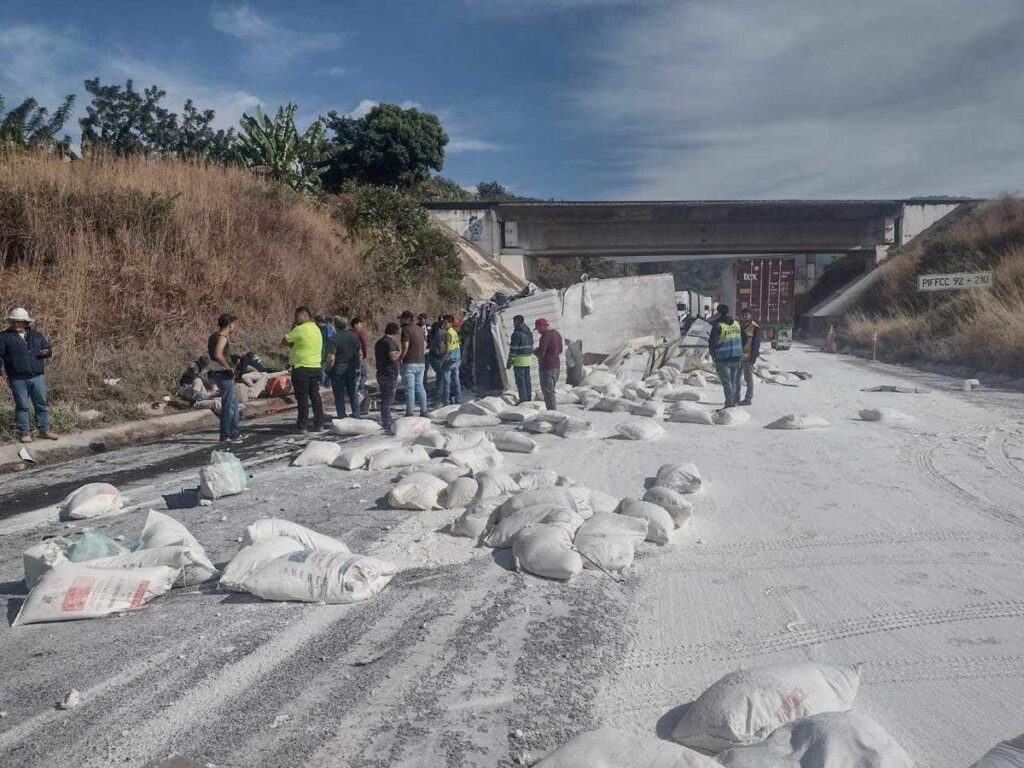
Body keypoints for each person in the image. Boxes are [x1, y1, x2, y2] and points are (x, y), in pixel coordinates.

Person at [0, 307, 55, 443]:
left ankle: (44, 430)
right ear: (10, 322)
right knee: (22, 405)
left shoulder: (36, 335)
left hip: (37, 376)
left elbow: (48, 350)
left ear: (26, 322)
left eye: (20, 322)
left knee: (41, 404)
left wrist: (46, 352)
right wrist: (1, 374)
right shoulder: (3, 337)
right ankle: (25, 433)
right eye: (14, 322)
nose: (17, 325)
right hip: (17, 377)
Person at [282, 306, 325, 432]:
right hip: (315, 366)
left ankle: (302, 425)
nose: (295, 319)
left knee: (302, 398)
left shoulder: (299, 329)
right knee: (315, 396)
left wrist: (293, 329)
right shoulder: (316, 329)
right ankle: (319, 423)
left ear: (304, 316)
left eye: (296, 316)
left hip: (301, 367)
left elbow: (284, 341)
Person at [207, 314, 242, 443]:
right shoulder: (222, 338)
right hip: (223, 373)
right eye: (233, 323)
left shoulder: (213, 336)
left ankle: (234, 433)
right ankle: (226, 434)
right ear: (229, 325)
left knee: (231, 404)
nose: (235, 326)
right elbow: (218, 354)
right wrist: (228, 367)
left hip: (217, 372)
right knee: (229, 406)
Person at [325, 317, 361, 419]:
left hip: (337, 371)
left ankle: (342, 415)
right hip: (351, 369)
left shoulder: (334, 339)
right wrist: (358, 367)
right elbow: (359, 354)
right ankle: (356, 414)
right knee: (353, 393)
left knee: (339, 395)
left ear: (336, 326)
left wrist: (328, 369)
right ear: (347, 325)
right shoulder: (355, 337)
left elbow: (331, 358)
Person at [708, 304, 743, 409]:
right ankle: (734, 401)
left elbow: (712, 344)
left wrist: (713, 356)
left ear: (718, 313)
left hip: (723, 359)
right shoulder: (737, 324)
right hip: (736, 357)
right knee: (733, 382)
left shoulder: (718, 326)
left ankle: (729, 404)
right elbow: (744, 338)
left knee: (727, 383)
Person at [399, 310, 429, 417]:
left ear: (407, 319)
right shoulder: (420, 330)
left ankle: (409, 412)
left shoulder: (406, 330)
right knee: (420, 386)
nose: (400, 321)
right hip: (421, 362)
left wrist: (401, 358)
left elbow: (405, 346)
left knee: (410, 389)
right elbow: (425, 344)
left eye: (401, 319)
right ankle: (424, 410)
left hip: (410, 363)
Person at [375, 322, 402, 431]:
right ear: (395, 332)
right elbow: (392, 357)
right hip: (389, 373)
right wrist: (402, 352)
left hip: (381, 372)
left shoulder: (379, 342)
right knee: (388, 400)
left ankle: (386, 419)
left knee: (385, 397)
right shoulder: (390, 343)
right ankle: (387, 422)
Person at [534, 317, 563, 411]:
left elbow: (541, 353)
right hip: (556, 366)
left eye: (538, 328)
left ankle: (552, 413)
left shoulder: (545, 336)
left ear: (542, 327)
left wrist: (535, 351)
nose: (538, 331)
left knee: (548, 392)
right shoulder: (557, 334)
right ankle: (552, 412)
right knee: (551, 391)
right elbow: (561, 350)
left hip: (546, 367)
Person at [507, 314, 534, 404]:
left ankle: (523, 400)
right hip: (528, 359)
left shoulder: (516, 334)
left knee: (520, 382)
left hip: (519, 361)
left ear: (517, 322)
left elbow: (513, 350)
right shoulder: (529, 333)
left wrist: (509, 362)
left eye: (514, 322)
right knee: (527, 380)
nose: (513, 324)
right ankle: (528, 398)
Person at [738, 308, 761, 406]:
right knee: (736, 379)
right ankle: (735, 398)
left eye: (747, 315)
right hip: (737, 357)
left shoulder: (755, 327)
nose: (745, 316)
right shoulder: (737, 326)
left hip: (748, 358)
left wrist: (753, 358)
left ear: (751, 316)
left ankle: (748, 399)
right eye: (744, 315)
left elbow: (756, 345)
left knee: (748, 380)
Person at [439, 314, 462, 405]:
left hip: (449, 358)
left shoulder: (448, 333)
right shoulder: (454, 332)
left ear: (451, 323)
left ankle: (446, 401)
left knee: (446, 380)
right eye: (443, 322)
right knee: (455, 379)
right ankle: (458, 398)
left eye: (445, 323)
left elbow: (448, 349)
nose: (444, 324)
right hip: (456, 357)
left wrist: (442, 360)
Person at [352, 317, 370, 413]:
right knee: (364, 374)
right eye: (360, 324)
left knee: (355, 376)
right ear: (355, 324)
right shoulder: (360, 333)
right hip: (361, 356)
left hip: (351, 358)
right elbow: (364, 344)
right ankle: (360, 390)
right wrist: (365, 355)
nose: (361, 326)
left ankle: (355, 391)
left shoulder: (349, 332)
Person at [425, 317, 445, 397]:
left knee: (439, 374)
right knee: (441, 374)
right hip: (435, 356)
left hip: (432, 355)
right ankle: (439, 393)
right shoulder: (441, 334)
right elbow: (441, 347)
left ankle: (438, 390)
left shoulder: (437, 333)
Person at [316, 315, 336, 386]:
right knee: (325, 367)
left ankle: (324, 382)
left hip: (328, 351)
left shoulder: (328, 328)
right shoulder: (323, 328)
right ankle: (326, 382)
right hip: (324, 350)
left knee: (324, 367)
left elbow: (329, 340)